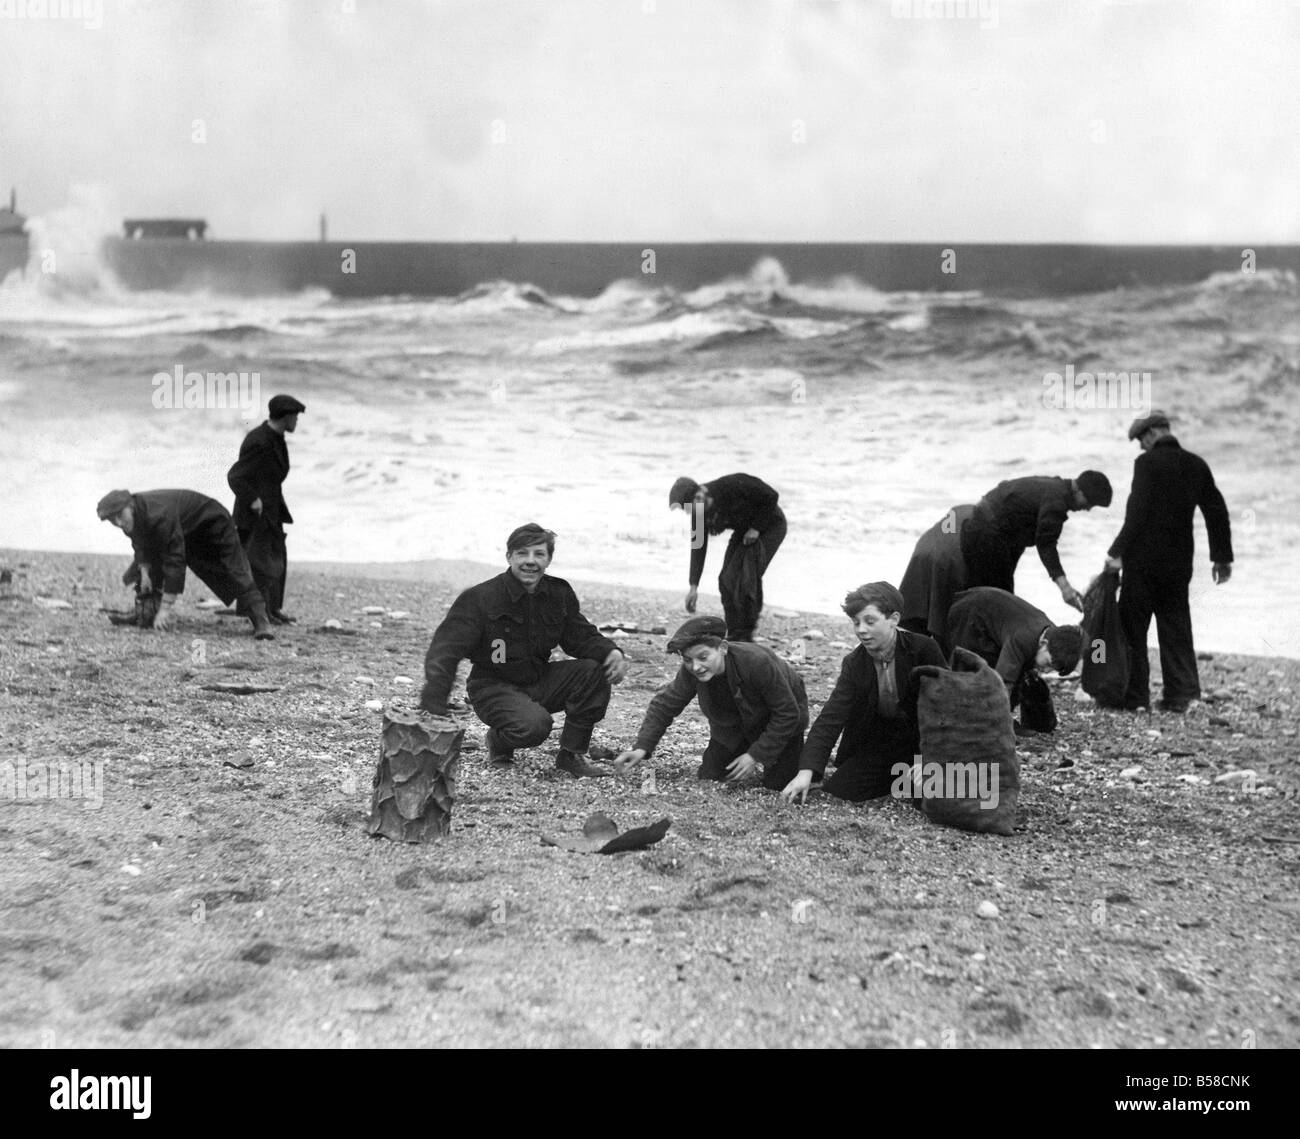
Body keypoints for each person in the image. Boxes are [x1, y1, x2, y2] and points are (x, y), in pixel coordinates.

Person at [417, 523, 629, 777]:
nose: (531, 561)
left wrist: (611, 652)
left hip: (538, 680)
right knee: (535, 727)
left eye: (539, 554)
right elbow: (445, 652)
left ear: (549, 559)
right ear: (509, 556)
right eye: (522, 553)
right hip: (491, 688)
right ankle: (499, 741)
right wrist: (433, 706)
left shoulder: (558, 594)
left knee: (594, 671)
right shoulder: (481, 598)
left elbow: (580, 636)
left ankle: (570, 756)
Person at [1104, 410, 1233, 713]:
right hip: (1179, 563)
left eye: (1140, 440)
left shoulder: (1147, 463)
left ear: (1151, 434)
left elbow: (1137, 512)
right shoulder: (1196, 464)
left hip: (1144, 563)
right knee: (1175, 625)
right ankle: (1182, 695)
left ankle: (1134, 696)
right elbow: (1216, 510)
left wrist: (1116, 552)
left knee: (1132, 628)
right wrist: (1221, 558)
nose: (1140, 447)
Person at [780, 582, 946, 805]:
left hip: (924, 740)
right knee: (840, 790)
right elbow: (831, 718)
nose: (861, 630)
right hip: (880, 744)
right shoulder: (854, 663)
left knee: (932, 798)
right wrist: (806, 771)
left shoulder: (924, 649)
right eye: (856, 623)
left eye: (870, 621)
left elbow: (947, 707)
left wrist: (931, 756)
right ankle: (901, 779)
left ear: (894, 619)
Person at [613, 616, 807, 790]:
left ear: (722, 648)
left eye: (703, 657)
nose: (696, 666)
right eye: (688, 660)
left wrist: (755, 755)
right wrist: (641, 747)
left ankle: (804, 759)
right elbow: (664, 705)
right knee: (710, 776)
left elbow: (788, 713)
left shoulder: (758, 662)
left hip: (783, 723)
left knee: (779, 786)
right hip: (734, 725)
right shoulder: (691, 671)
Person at [96, 488, 275, 640]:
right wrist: (144, 572)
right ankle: (145, 611)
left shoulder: (158, 514)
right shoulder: (132, 518)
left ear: (131, 506)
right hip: (186, 530)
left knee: (235, 570)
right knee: (147, 564)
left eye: (120, 516)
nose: (118, 523)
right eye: (113, 520)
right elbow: (141, 545)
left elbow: (175, 560)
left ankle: (261, 620)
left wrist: (166, 609)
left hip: (213, 523)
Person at [959, 471, 1113, 611]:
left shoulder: (1056, 486)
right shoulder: (1056, 502)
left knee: (1000, 596)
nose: (1088, 509)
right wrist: (1065, 588)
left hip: (990, 526)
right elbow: (1046, 544)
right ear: (1078, 491)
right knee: (994, 601)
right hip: (986, 533)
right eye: (1090, 503)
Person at [669, 473, 786, 642]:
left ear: (699, 495)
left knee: (747, 577)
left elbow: (772, 496)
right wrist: (694, 586)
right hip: (744, 530)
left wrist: (756, 528)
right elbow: (698, 546)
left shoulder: (731, 485)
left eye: (688, 507)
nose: (690, 513)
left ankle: (746, 635)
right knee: (726, 579)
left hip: (770, 524)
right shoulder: (699, 511)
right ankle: (733, 632)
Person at [944, 586, 1082, 726]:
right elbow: (1003, 682)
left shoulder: (1054, 635)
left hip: (995, 615)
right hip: (970, 614)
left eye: (1052, 670)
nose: (1046, 671)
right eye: (1047, 664)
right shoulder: (1022, 639)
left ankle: (994, 720)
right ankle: (973, 723)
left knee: (1023, 675)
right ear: (1044, 643)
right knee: (974, 672)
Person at [228, 393, 305, 625]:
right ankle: (258, 613)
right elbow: (236, 476)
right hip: (254, 513)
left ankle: (272, 609)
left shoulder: (276, 437)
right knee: (259, 564)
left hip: (271, 510)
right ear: (285, 417)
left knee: (276, 558)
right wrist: (253, 499)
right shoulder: (259, 440)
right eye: (295, 417)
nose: (297, 422)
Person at [899, 503, 974, 642]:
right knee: (949, 623)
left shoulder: (956, 516)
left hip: (924, 554)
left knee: (921, 622)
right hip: (951, 559)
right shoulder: (990, 522)